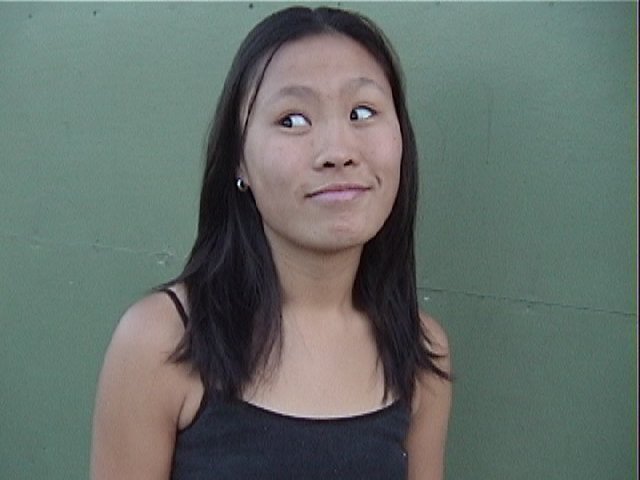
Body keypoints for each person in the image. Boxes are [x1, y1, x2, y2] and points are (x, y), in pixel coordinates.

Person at [91, 5, 452, 480]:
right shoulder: (161, 341)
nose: (338, 152)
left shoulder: (419, 351)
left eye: (362, 112)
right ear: (239, 160)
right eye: (292, 120)